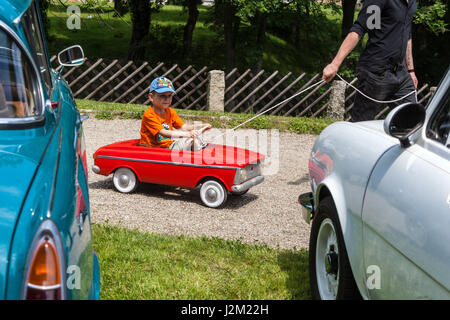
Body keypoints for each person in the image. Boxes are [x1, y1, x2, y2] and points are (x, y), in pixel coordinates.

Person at [322, 0, 418, 121]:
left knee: (413, 119)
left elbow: (407, 35)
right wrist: (334, 64)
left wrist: (411, 71)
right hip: (375, 71)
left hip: (399, 73)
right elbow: (359, 29)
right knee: (360, 124)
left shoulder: (412, 2)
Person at [138, 76, 211, 150]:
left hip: (168, 145)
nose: (166, 99)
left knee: (192, 142)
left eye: (169, 95)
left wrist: (200, 126)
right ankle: (196, 153)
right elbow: (163, 133)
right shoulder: (149, 115)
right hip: (152, 148)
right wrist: (188, 134)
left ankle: (198, 152)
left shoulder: (170, 112)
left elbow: (184, 127)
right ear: (151, 97)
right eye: (162, 95)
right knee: (189, 142)